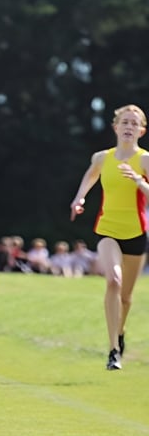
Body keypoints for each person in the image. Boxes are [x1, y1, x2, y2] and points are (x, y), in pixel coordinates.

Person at [70, 103, 149, 370]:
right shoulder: (102, 158)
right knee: (112, 281)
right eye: (124, 122)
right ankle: (113, 350)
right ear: (116, 128)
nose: (128, 126)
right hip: (107, 230)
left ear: (141, 131)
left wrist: (139, 181)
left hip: (137, 234)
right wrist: (79, 198)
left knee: (126, 298)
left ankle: (121, 330)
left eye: (133, 123)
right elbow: (91, 175)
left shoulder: (145, 160)